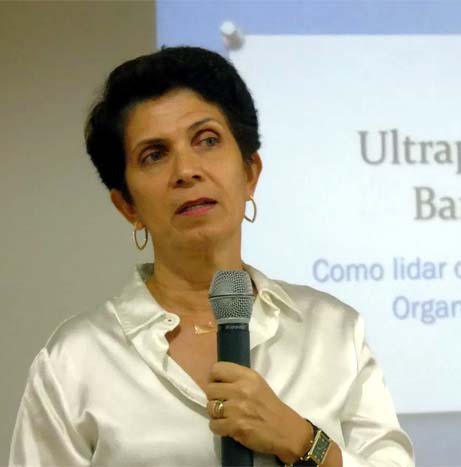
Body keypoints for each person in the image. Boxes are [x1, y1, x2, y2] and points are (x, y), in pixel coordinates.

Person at [9, 46, 414, 466]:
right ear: (127, 205)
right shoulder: (76, 360)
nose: (186, 170)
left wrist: (301, 439)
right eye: (154, 155)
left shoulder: (331, 330)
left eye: (207, 140)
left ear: (250, 173)